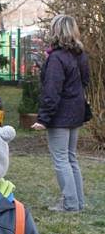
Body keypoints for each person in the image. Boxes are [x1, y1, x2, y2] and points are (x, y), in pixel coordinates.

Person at [32, 14, 90, 212]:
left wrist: (43, 119)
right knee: (70, 158)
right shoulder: (79, 54)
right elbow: (84, 82)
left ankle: (70, 204)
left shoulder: (56, 58)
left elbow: (52, 91)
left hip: (61, 115)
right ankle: (77, 202)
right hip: (76, 111)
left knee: (62, 159)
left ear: (56, 31)